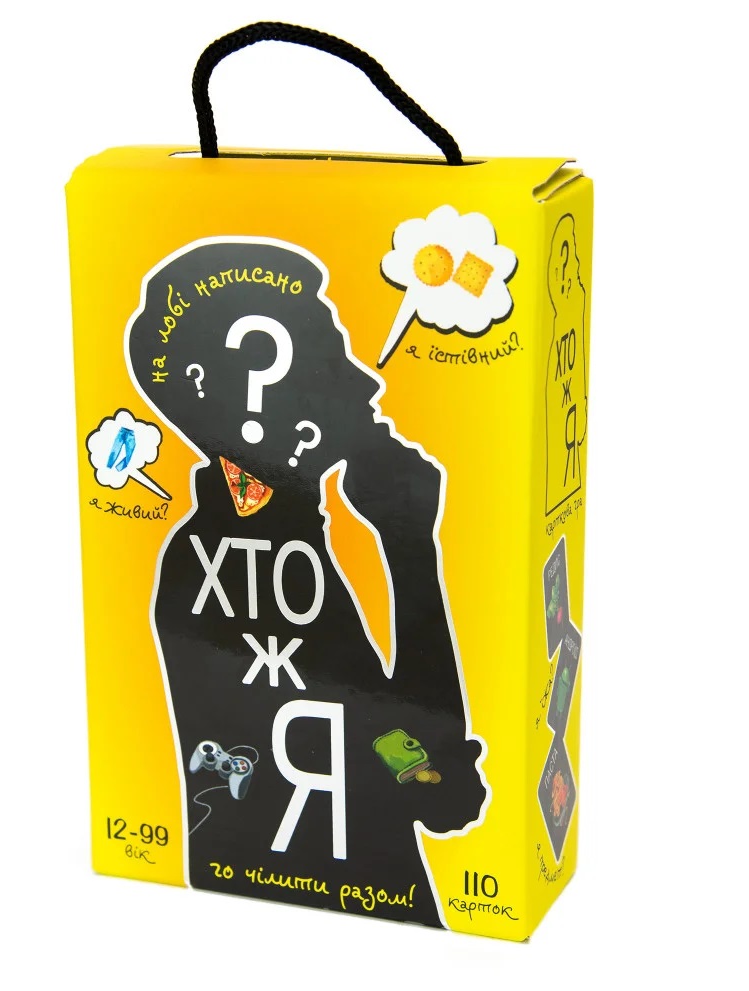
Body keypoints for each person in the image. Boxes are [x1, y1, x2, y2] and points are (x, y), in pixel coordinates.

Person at [127, 238, 487, 927]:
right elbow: (435, 792)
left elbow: (424, 773)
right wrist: (409, 544)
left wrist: (403, 537)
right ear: (244, 398)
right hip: (325, 908)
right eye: (330, 358)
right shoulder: (239, 564)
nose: (365, 383)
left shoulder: (282, 548)